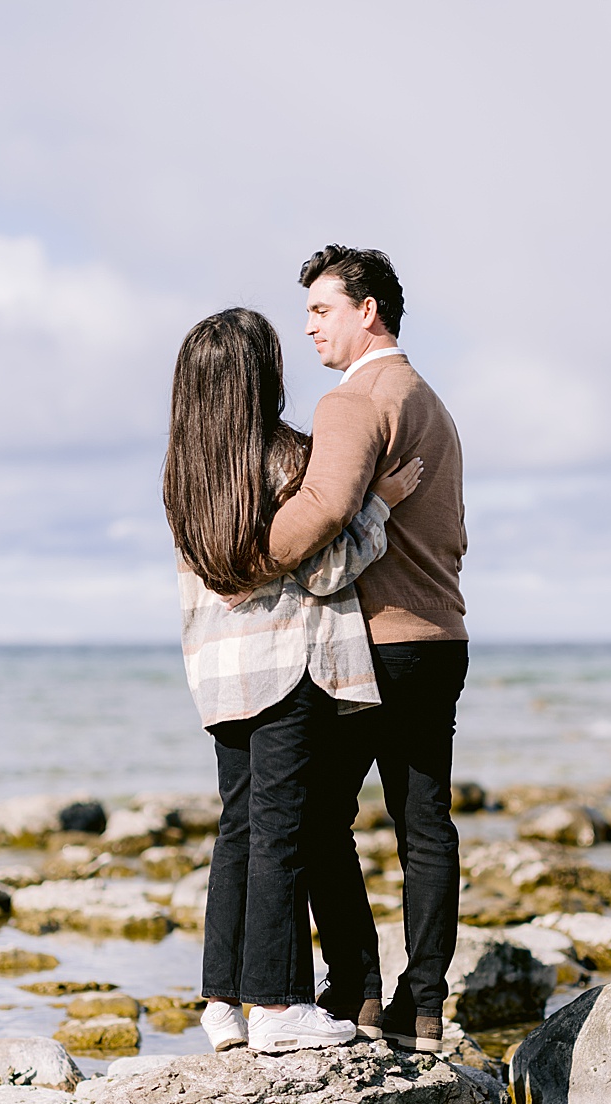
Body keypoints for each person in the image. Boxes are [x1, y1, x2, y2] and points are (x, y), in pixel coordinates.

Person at [163, 306, 422, 1055]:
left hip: (218, 674)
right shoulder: (284, 458)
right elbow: (326, 569)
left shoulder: (187, 471)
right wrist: (382, 506)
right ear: (259, 377)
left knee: (237, 831)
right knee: (280, 831)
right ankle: (278, 1006)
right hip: (287, 664)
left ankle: (221, 1001)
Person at [266, 247, 468, 1052]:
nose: (310, 325)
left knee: (315, 819)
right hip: (443, 636)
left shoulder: (351, 402)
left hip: (375, 643)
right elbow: (453, 535)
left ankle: (355, 991)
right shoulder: (431, 402)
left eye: (321, 309)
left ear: (368, 310)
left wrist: (248, 552)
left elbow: (320, 516)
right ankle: (426, 1008)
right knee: (425, 828)